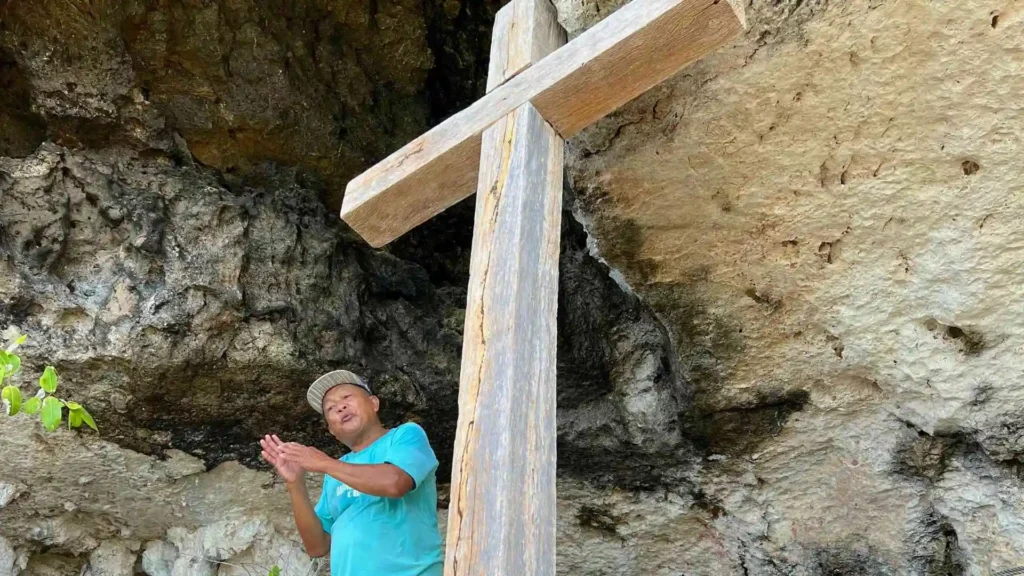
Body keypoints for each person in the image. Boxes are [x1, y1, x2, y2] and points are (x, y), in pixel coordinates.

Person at [259, 370, 444, 576]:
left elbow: (395, 482)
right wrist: (295, 483)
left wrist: (324, 463)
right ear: (331, 430)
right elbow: (317, 546)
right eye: (330, 408)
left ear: (374, 403)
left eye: (347, 397)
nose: (340, 406)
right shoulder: (335, 472)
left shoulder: (406, 434)